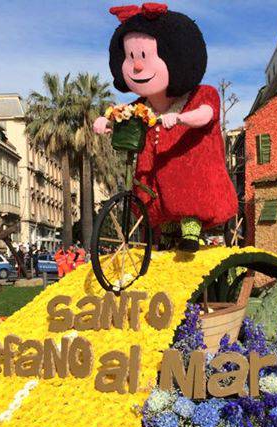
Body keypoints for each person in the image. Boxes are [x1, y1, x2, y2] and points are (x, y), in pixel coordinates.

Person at [95, 3, 238, 252]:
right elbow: (123, 115)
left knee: (187, 182)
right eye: (131, 58)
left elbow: (206, 114)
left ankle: (191, 228)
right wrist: (106, 121)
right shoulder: (141, 105)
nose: (137, 67)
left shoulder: (202, 94)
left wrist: (182, 118)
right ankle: (167, 229)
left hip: (192, 166)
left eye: (145, 57)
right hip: (154, 169)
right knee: (151, 190)